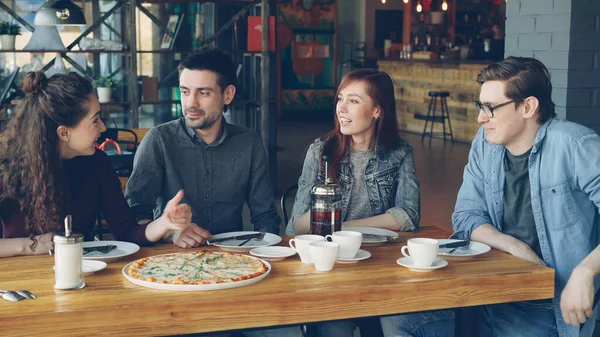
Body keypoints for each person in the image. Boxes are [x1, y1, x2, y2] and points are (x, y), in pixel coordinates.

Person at [286, 69, 454, 337]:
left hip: (380, 266)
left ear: (377, 110)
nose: (342, 108)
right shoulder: (321, 151)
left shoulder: (399, 153)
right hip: (332, 267)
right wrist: (323, 202)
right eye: (340, 99)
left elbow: (408, 216)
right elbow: (295, 226)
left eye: (353, 101)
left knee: (391, 321)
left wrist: (343, 226)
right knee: (335, 326)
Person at [453, 56, 600, 337]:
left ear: (528, 107)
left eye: (491, 108)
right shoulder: (485, 143)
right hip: (489, 287)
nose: (481, 117)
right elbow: (466, 215)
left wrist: (586, 272)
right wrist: (514, 247)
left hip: (547, 301)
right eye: (480, 106)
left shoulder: (576, 145)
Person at [0, 72, 192, 258]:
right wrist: (30, 246)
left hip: (81, 273)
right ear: (64, 133)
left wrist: (164, 223)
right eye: (95, 120)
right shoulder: (6, 168)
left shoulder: (97, 163)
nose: (103, 127)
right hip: (18, 280)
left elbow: (127, 232)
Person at [125, 46, 281, 249]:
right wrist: (170, 232)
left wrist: (268, 253)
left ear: (228, 95)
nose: (191, 103)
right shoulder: (159, 141)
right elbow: (134, 216)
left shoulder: (249, 143)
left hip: (232, 258)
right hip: (170, 259)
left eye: (203, 93)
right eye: (185, 92)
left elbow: (265, 216)